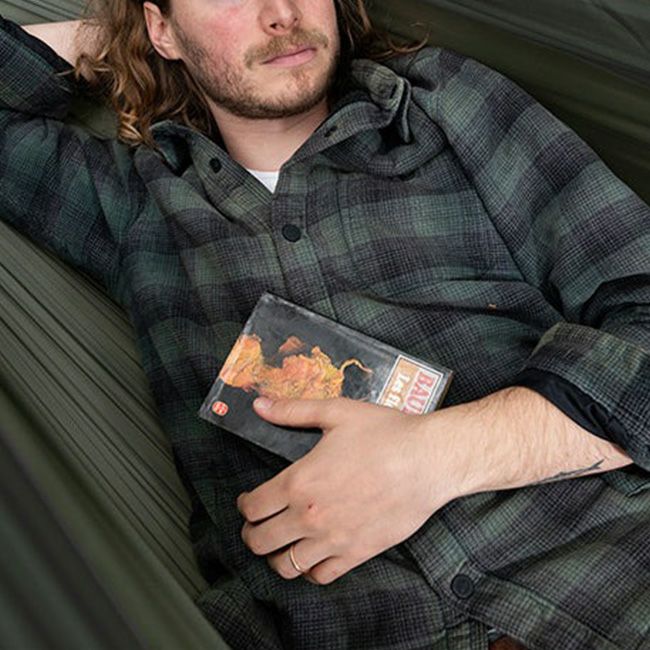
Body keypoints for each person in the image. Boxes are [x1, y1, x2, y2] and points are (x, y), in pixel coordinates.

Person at [2, 1, 649, 648]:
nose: (281, 13)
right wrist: (123, 38)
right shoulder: (136, 202)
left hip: (614, 592)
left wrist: (434, 459)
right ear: (162, 27)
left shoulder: (441, 105)